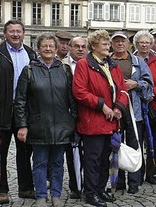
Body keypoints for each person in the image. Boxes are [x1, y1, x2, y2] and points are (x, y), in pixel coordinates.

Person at [13, 32, 76, 207]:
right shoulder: (29, 70)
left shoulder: (64, 70)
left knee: (57, 163)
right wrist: (22, 125)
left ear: (56, 49)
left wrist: (74, 120)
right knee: (39, 162)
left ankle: (56, 194)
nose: (48, 49)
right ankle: (41, 195)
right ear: (38, 49)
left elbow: (72, 99)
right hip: (38, 124)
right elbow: (20, 101)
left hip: (62, 124)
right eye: (44, 46)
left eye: (51, 46)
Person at [73, 29, 129, 207]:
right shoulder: (84, 64)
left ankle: (100, 189)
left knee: (106, 158)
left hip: (111, 121)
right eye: (103, 43)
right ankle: (90, 193)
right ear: (94, 46)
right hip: (93, 121)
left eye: (107, 43)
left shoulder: (112, 65)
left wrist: (119, 107)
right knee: (93, 160)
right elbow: (80, 92)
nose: (107, 46)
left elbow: (122, 90)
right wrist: (102, 105)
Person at [0, 19, 37, 204]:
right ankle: (1, 191)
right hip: (1, 111)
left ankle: (25, 187)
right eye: (11, 31)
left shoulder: (31, 54)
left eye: (18, 31)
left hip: (24, 111)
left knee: (25, 151)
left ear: (24, 33)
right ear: (5, 34)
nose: (15, 34)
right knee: (0, 151)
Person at [111, 31, 154, 194]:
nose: (120, 44)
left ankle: (134, 183)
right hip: (115, 111)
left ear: (128, 44)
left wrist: (136, 84)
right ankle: (119, 181)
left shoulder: (137, 61)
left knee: (134, 146)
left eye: (122, 41)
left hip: (134, 111)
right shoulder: (107, 61)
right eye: (116, 41)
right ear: (112, 44)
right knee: (116, 146)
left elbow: (148, 83)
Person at [134, 30, 156, 183]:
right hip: (135, 105)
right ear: (136, 44)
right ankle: (137, 174)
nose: (145, 45)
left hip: (153, 106)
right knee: (137, 141)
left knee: (154, 140)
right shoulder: (131, 59)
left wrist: (153, 93)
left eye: (147, 42)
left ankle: (152, 172)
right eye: (142, 42)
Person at [61, 36, 88, 199]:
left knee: (91, 153)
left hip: (89, 114)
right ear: (70, 48)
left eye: (83, 46)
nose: (80, 49)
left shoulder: (93, 64)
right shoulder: (62, 65)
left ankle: (89, 184)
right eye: (76, 46)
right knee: (72, 153)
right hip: (68, 116)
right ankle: (75, 186)